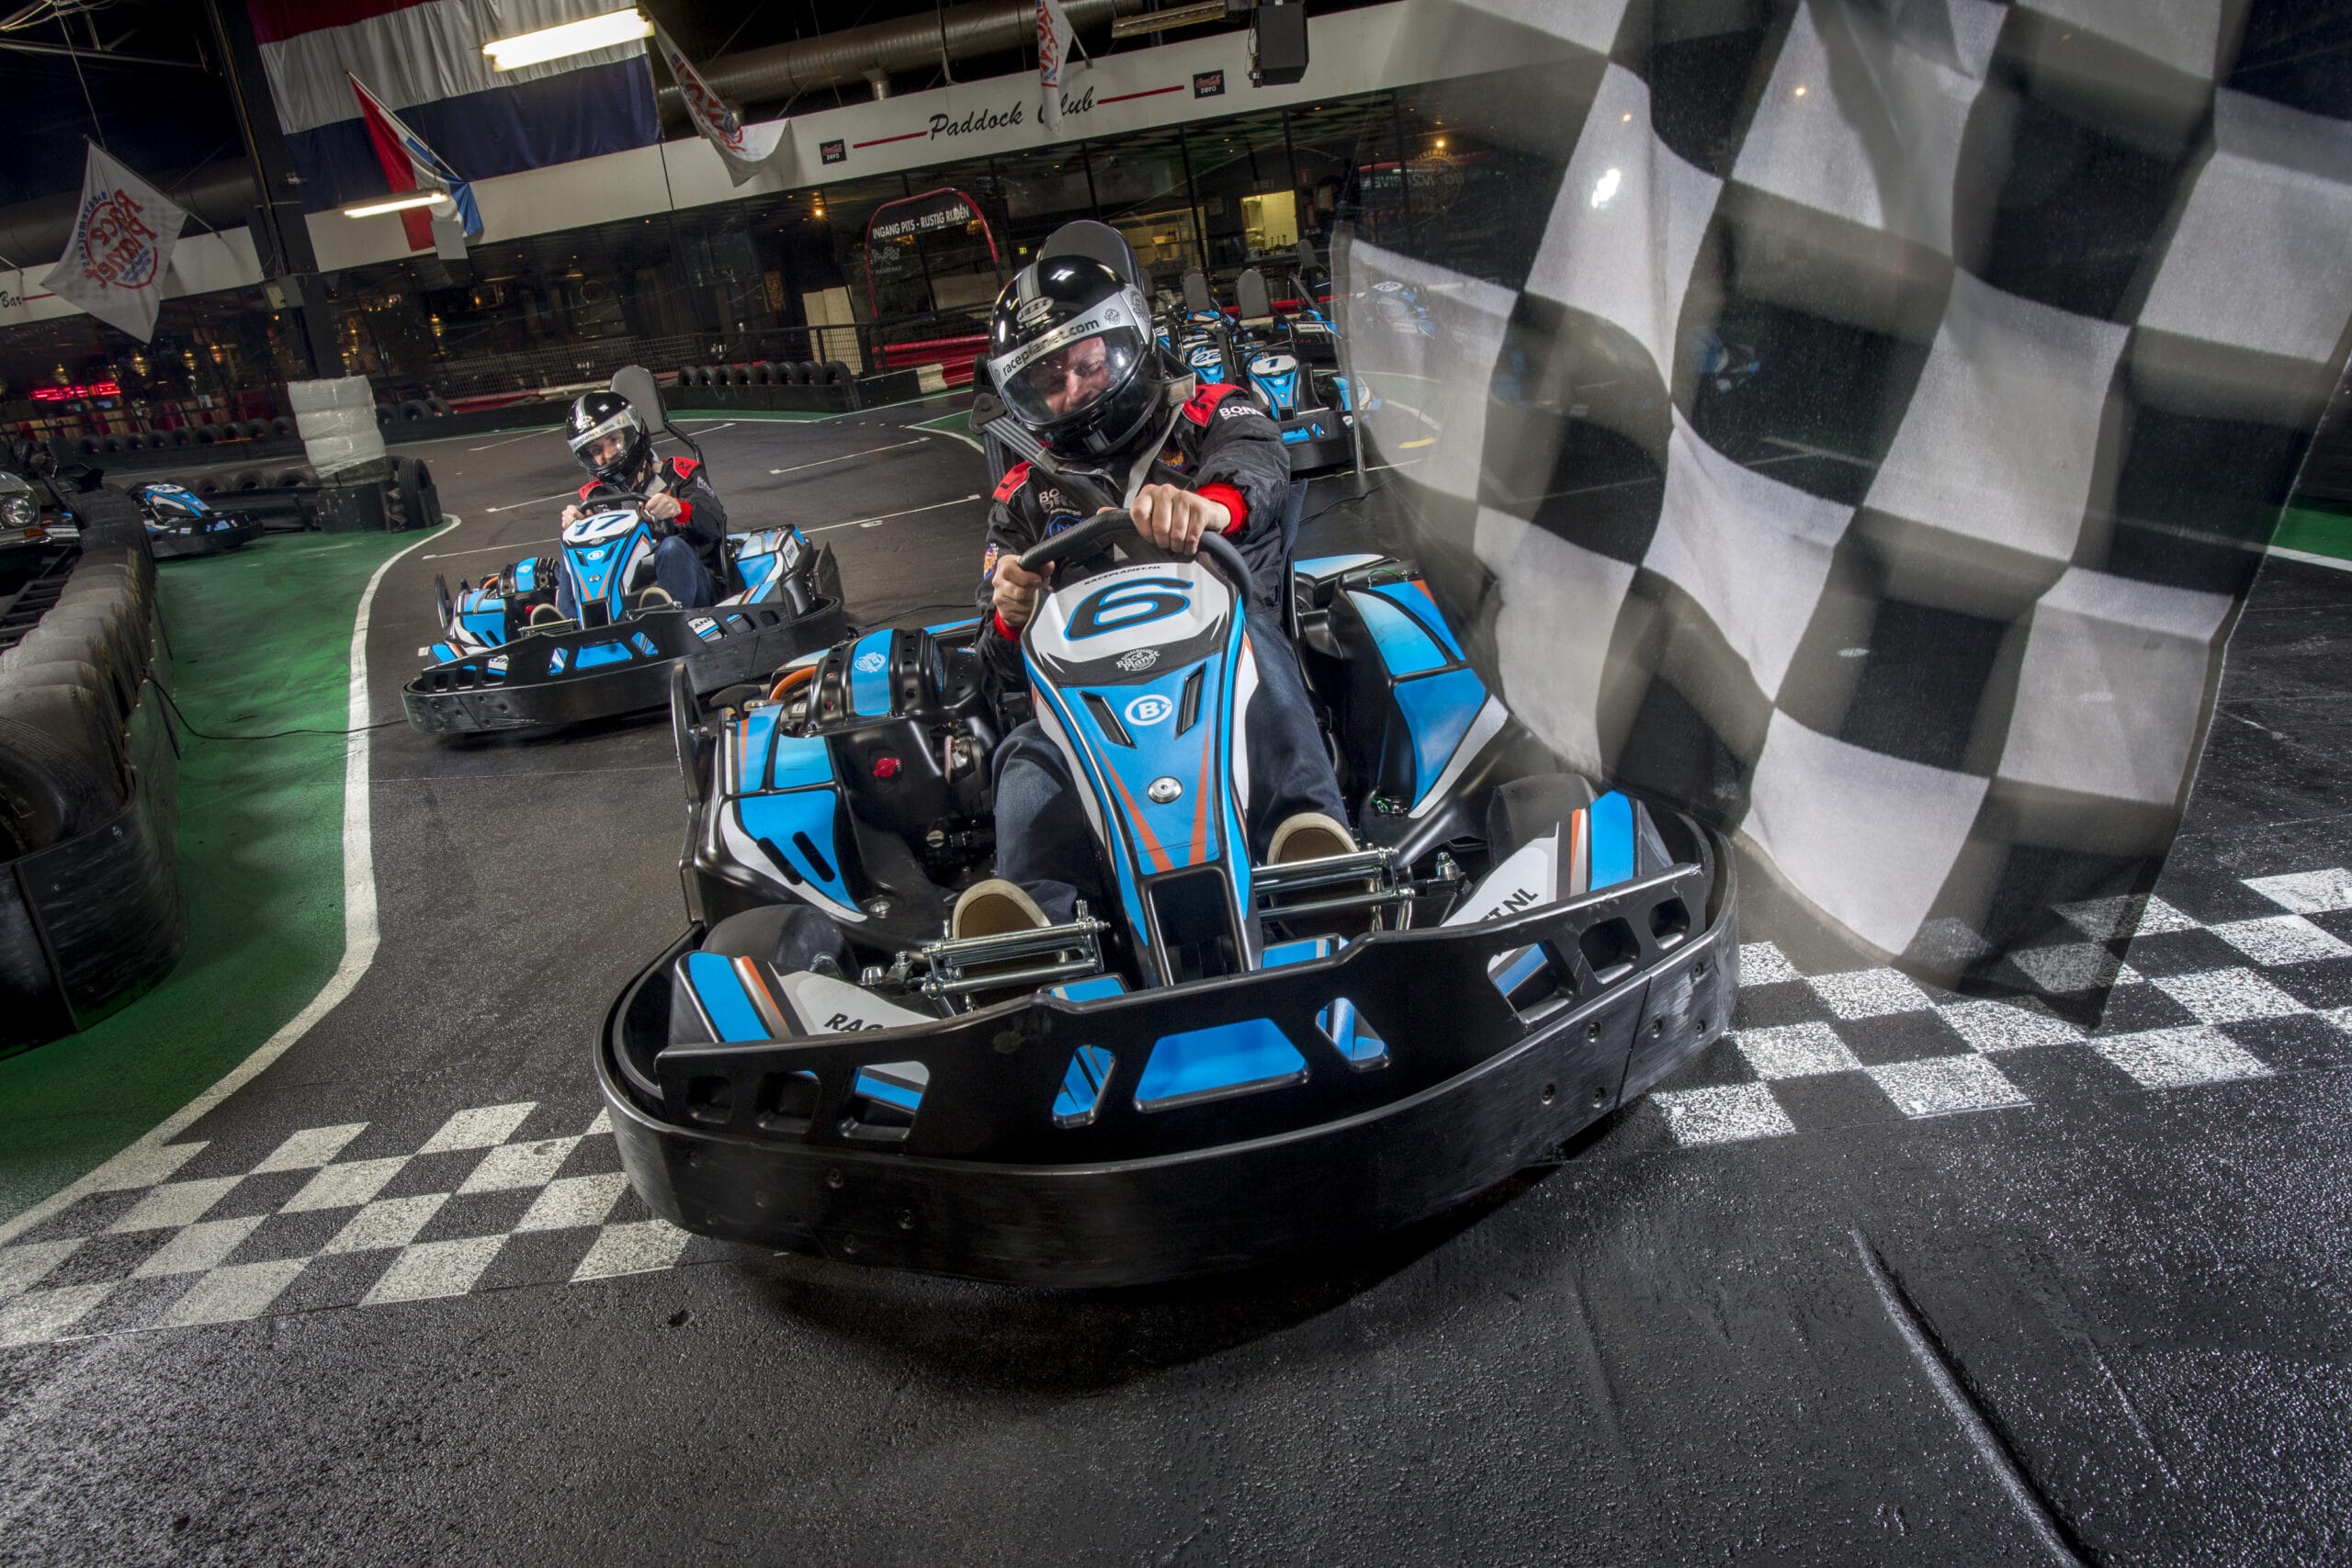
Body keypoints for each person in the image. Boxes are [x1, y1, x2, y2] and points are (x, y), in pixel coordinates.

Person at [953, 243, 1355, 942]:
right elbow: (993, 658)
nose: (1075, 390)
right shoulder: (1021, 494)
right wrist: (1011, 613)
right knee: (1025, 750)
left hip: (1222, 669)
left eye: (1087, 363)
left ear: (1127, 342)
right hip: (1089, 697)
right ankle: (1039, 929)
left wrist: (1207, 507)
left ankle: (1308, 842)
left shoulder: (1206, 411)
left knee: (1263, 653)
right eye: (1051, 380)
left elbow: (1258, 460)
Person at [557, 389, 726, 614]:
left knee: (672, 547)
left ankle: (667, 620)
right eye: (596, 450)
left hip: (697, 586)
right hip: (627, 592)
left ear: (631, 433)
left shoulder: (679, 474)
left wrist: (679, 509)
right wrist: (576, 528)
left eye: (613, 441)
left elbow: (714, 526)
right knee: (572, 552)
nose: (607, 456)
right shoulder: (594, 498)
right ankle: (570, 625)